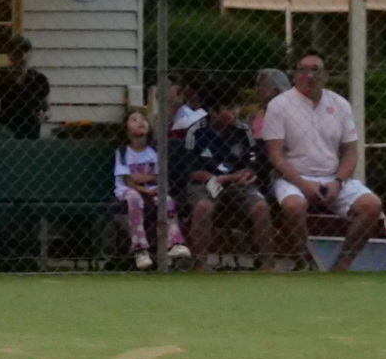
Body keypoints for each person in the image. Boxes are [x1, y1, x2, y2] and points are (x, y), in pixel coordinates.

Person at [262, 50, 385, 271]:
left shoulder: (340, 104)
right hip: (292, 178)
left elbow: (350, 151)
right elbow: (275, 155)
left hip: (332, 178)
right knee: (293, 205)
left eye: (315, 70)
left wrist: (337, 182)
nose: (309, 76)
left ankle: (341, 266)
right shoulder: (279, 105)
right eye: (303, 70)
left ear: (325, 75)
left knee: (371, 205)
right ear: (294, 75)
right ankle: (304, 265)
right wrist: (303, 184)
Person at [182, 85, 275, 270]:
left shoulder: (243, 131)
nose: (235, 112)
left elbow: (254, 162)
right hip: (205, 184)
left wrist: (248, 172)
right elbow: (190, 169)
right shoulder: (195, 132)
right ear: (214, 112)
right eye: (229, 108)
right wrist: (214, 178)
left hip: (238, 185)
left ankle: (266, 265)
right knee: (203, 207)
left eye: (236, 107)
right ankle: (200, 266)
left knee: (260, 206)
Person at [114, 107, 189, 270]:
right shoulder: (123, 152)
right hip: (130, 191)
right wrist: (147, 191)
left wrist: (151, 180)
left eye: (143, 119)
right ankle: (140, 250)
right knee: (134, 199)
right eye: (134, 120)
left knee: (167, 200)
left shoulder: (153, 151)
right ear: (125, 129)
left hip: (153, 189)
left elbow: (159, 175)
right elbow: (128, 181)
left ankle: (175, 243)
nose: (140, 122)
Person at [0, 35, 50, 139]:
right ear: (10, 54)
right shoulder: (0, 79)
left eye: (26, 52)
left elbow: (46, 108)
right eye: (18, 52)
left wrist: (43, 116)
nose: (23, 56)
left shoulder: (39, 79)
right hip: (6, 132)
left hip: (31, 132)